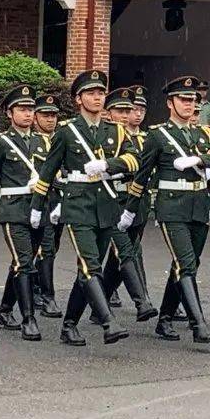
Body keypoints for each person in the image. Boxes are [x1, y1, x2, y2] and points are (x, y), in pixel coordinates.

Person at [30, 70, 140, 347]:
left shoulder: (114, 129)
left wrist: (108, 166)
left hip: (106, 204)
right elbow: (48, 171)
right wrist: (37, 206)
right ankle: (108, 322)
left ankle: (69, 325)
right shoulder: (66, 131)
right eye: (91, 93)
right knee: (91, 265)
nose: (97, 97)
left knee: (87, 270)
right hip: (77, 203)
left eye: (100, 93)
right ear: (79, 99)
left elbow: (135, 159)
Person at [121, 76, 210, 344]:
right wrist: (130, 210)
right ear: (170, 103)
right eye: (184, 99)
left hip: (199, 206)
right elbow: (142, 176)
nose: (190, 104)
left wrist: (200, 159)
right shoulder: (157, 136)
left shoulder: (203, 133)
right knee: (186, 263)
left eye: (193, 100)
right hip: (172, 207)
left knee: (186, 265)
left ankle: (166, 318)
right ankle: (198, 323)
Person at [0, 85, 44, 341]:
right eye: (22, 109)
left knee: (22, 262)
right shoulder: (1, 143)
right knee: (24, 262)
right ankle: (28, 318)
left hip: (37, 209)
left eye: (31, 110)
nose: (28, 114)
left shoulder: (42, 141)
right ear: (10, 113)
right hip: (13, 209)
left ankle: (5, 310)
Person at [93, 88, 158, 325]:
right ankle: (142, 301)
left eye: (130, 110)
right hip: (112, 200)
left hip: (137, 201)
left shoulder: (143, 139)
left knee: (121, 255)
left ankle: (102, 300)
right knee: (124, 252)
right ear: (108, 113)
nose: (130, 114)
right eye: (122, 110)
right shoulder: (102, 136)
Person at [32, 93, 64, 318]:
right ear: (35, 117)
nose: (50, 119)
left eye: (53, 115)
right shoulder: (31, 142)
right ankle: (47, 296)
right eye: (45, 115)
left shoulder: (63, 138)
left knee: (53, 247)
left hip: (61, 200)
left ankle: (35, 286)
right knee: (45, 249)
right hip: (42, 200)